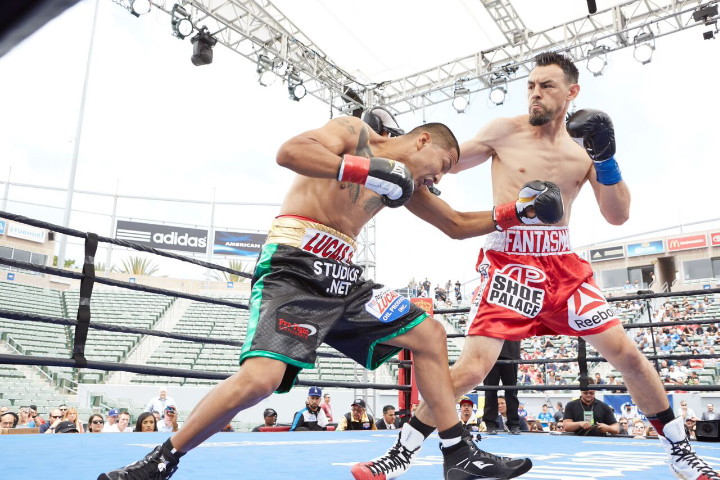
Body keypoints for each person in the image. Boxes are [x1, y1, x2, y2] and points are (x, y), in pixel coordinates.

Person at [98, 116, 531, 480]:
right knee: (260, 382)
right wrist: (367, 168)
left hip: (345, 281)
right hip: (294, 270)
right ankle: (160, 461)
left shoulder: (406, 186)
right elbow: (289, 152)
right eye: (443, 163)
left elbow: (455, 223)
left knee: (430, 334)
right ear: (422, 140)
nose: (439, 177)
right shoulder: (354, 133)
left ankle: (459, 455)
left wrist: (519, 211)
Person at [384, 50, 718, 480]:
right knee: (471, 369)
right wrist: (400, 153)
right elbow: (444, 163)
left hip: (562, 262)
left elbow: (618, 215)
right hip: (510, 261)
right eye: (531, 86)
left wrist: (606, 157)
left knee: (630, 357)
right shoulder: (504, 131)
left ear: (572, 92)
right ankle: (401, 451)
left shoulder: (585, 148)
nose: (535, 95)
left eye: (546, 86)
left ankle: (680, 451)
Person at [482, 340, 521, 434]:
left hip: (510, 351)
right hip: (491, 351)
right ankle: (490, 423)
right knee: (490, 390)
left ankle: (513, 423)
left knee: (511, 390)